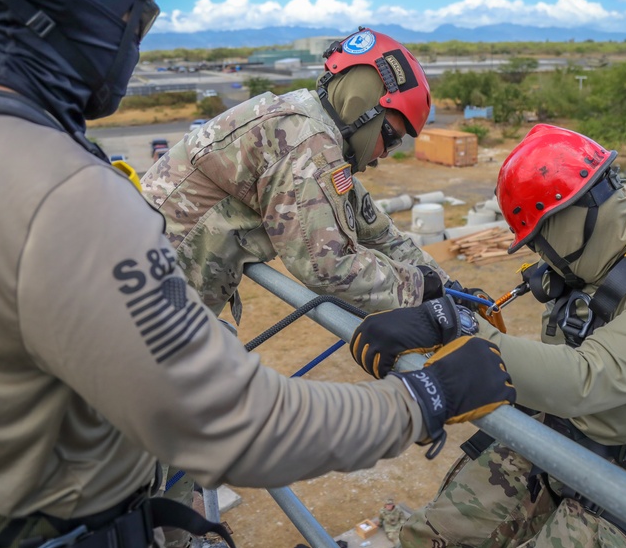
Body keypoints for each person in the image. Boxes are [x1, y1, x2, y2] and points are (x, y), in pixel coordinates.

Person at [0, 0, 518, 548]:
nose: (139, 34)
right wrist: (426, 397)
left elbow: (365, 219)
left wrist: (431, 278)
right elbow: (239, 422)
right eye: (137, 6)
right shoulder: (64, 197)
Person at [347, 124, 626, 548]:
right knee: (435, 537)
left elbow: (584, 379)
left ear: (567, 217)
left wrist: (453, 327)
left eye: (537, 240)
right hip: (558, 441)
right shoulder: (593, 274)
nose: (540, 257)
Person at [141, 27, 454, 326]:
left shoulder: (313, 126)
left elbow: (377, 232)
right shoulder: (304, 140)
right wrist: (418, 288)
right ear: (363, 107)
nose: (387, 153)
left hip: (156, 282)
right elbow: (329, 268)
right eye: (390, 136)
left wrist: (448, 285)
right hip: (149, 297)